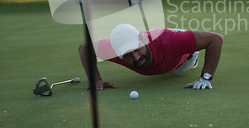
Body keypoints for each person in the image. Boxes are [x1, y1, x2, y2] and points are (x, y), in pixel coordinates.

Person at [78, 24, 223, 90]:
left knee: (177, 71)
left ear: (143, 40)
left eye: (136, 48)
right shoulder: (113, 50)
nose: (135, 58)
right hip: (160, 49)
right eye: (127, 55)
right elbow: (84, 47)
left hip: (179, 54)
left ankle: (192, 58)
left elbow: (215, 39)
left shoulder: (171, 41)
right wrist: (96, 79)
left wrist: (206, 77)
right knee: (167, 69)